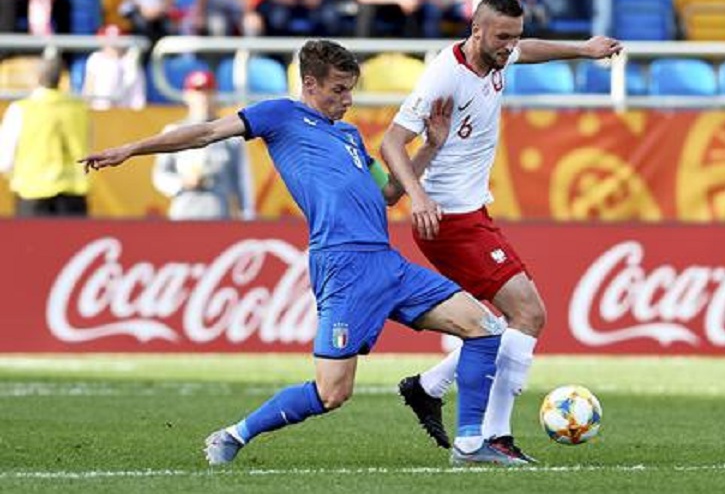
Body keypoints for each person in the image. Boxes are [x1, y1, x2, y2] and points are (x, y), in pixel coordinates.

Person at [79, 39, 524, 467]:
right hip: (342, 265)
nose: (347, 100)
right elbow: (208, 132)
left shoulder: (349, 136)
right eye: (337, 90)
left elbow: (389, 194)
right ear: (309, 84)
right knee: (333, 393)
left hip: (388, 263)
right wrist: (131, 149)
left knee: (484, 327)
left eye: (350, 89)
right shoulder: (280, 115)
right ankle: (234, 435)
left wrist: (431, 144)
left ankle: (469, 443)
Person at [380, 0, 621, 461]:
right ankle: (493, 437)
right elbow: (391, 143)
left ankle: (429, 386)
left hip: (474, 213)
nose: (511, 46)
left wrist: (583, 48)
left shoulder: (499, 55)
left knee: (501, 323)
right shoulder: (444, 77)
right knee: (528, 315)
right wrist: (420, 195)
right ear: (477, 31)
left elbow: (527, 52)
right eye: (502, 37)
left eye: (515, 36)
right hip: (447, 218)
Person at [152, 70, 255, 220]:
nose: (203, 98)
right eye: (198, 92)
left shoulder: (231, 134)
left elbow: (242, 180)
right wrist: (182, 183)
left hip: (219, 213)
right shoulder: (173, 131)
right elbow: (160, 175)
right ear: (187, 96)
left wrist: (247, 214)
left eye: (208, 92)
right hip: (183, 212)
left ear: (215, 96)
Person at [0, 55, 91, 217]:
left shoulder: (22, 109)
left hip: (32, 191)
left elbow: (5, 157)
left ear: (37, 77)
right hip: (73, 191)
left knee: (32, 242)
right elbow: (89, 143)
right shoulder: (79, 109)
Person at [83, 24, 147, 110]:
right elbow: (89, 88)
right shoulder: (95, 59)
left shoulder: (131, 62)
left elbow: (138, 96)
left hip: (126, 113)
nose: (113, 47)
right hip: (99, 111)